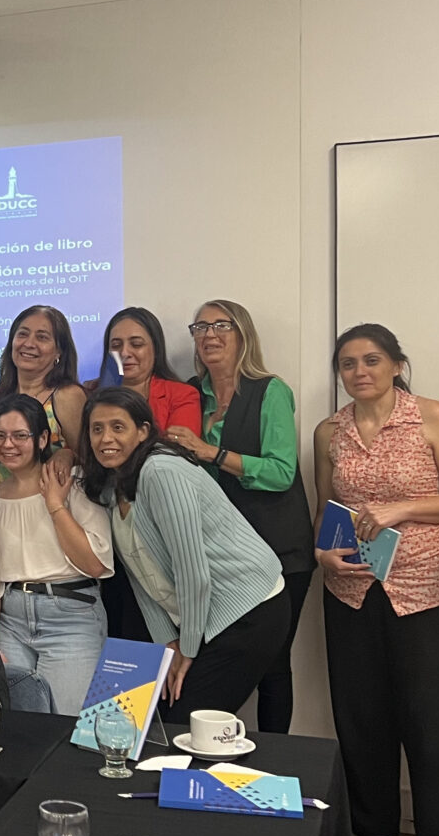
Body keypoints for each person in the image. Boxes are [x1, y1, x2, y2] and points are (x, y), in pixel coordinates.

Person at [314, 324, 439, 836]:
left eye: (372, 360)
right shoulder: (329, 430)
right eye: (348, 363)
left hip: (430, 589)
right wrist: (322, 553)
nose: (360, 372)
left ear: (396, 365)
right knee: (361, 719)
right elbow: (327, 509)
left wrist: (400, 509)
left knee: (433, 722)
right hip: (352, 590)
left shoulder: (430, 416)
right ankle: (380, 835)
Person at [81, 388, 288, 722]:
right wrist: (169, 642)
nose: (106, 438)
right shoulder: (110, 486)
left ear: (143, 431)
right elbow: (141, 579)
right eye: (97, 428)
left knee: (186, 722)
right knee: (156, 718)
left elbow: (193, 572)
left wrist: (187, 649)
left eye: (118, 427)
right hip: (203, 617)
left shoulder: (161, 471)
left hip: (251, 609)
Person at [167, 299, 314, 733]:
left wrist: (212, 452)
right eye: (200, 327)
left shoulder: (270, 390)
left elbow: (281, 472)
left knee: (273, 663)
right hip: (220, 556)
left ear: (243, 333)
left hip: (279, 547)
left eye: (221, 325)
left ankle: (273, 757)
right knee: (216, 658)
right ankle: (209, 749)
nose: (209, 335)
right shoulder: (190, 394)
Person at [0, 394, 112, 714]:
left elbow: (96, 563)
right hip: (11, 619)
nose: (8, 444)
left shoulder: (73, 482)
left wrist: (54, 504)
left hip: (71, 615)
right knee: (14, 722)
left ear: (42, 439)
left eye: (20, 435)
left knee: (65, 722)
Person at [88, 306, 200, 640]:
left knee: (167, 638)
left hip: (162, 532)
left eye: (136, 343)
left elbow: (180, 452)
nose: (126, 352)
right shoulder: (90, 393)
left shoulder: (181, 394)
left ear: (155, 348)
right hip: (112, 531)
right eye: (116, 345)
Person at [0, 305, 87, 492]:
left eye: (42, 337)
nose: (29, 343)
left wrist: (68, 455)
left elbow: (90, 459)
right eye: (22, 334)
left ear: (59, 351)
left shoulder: (67, 396)